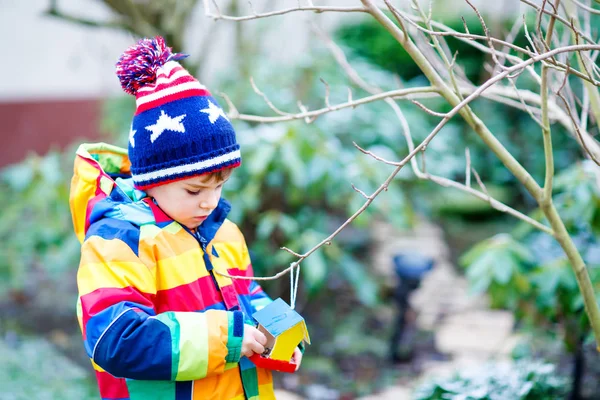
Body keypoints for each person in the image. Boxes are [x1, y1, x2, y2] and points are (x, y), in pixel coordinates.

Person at [69, 36, 302, 400]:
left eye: (220, 186)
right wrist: (227, 338)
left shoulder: (224, 233)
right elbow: (116, 340)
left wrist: (280, 333)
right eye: (194, 191)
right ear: (153, 181)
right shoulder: (119, 240)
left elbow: (246, 296)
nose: (210, 203)